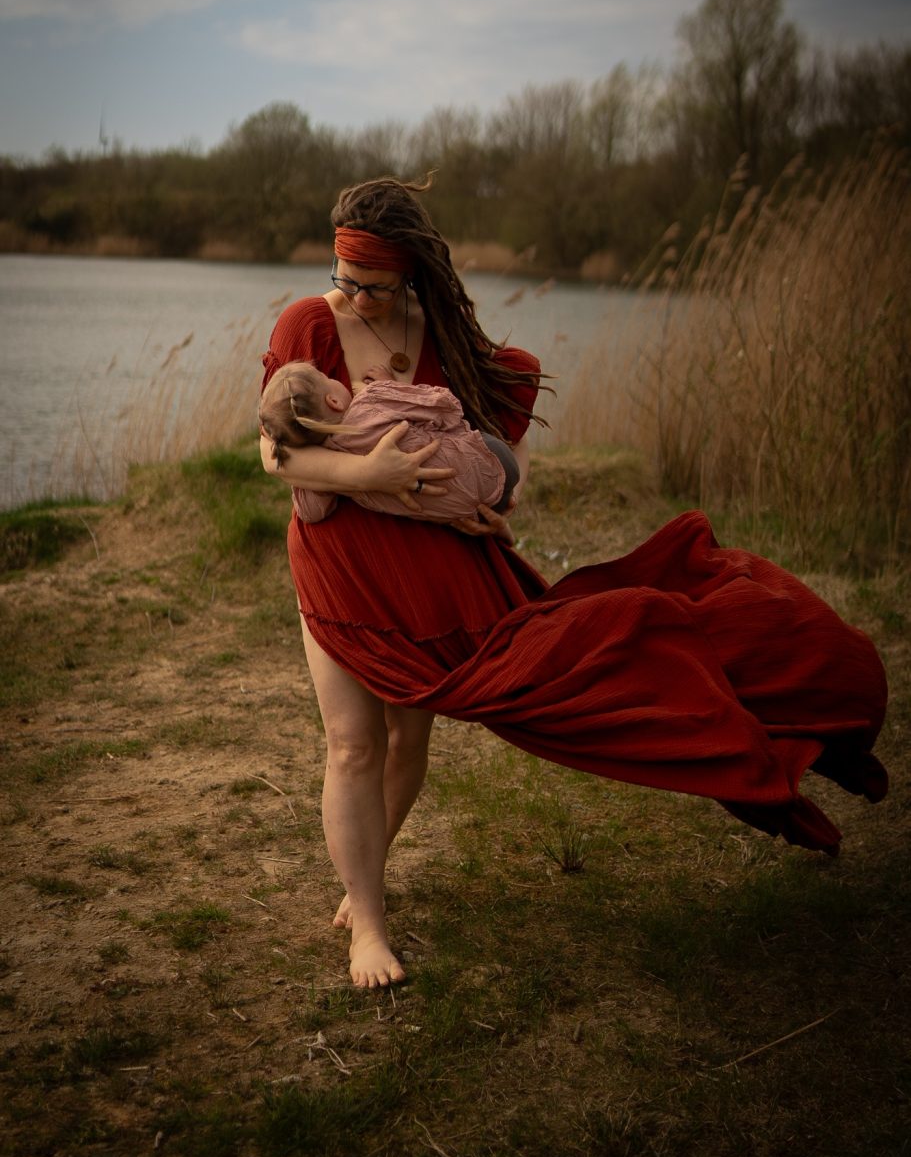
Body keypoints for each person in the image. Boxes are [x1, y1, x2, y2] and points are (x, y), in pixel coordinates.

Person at [261, 176, 888, 990]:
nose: (354, 298)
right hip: (342, 556)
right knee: (351, 741)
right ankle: (368, 924)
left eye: (373, 287)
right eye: (346, 280)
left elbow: (500, 448)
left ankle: (362, 870)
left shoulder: (439, 327)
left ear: (410, 273)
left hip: (433, 571)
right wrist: (366, 468)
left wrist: (498, 500)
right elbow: (272, 453)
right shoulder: (308, 323)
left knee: (410, 738)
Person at [258, 359, 519, 523]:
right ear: (333, 401)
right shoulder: (372, 400)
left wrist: (293, 450)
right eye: (329, 380)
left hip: (460, 511)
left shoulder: (327, 477)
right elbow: (445, 406)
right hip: (495, 460)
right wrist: (392, 385)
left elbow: (310, 513)